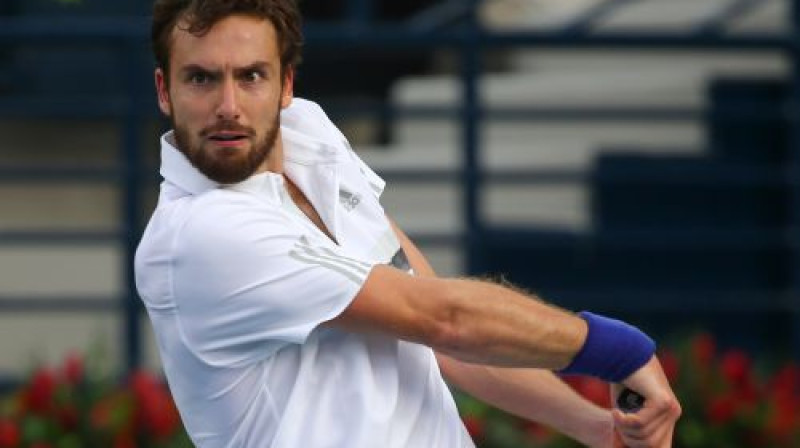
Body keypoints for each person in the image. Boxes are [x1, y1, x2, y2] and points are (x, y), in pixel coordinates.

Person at [134, 0, 681, 447]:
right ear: (165, 91)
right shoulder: (199, 234)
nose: (228, 105)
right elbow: (444, 318)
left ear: (286, 86)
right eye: (201, 79)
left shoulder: (310, 137)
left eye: (251, 76)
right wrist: (618, 349)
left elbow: (435, 334)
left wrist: (596, 428)